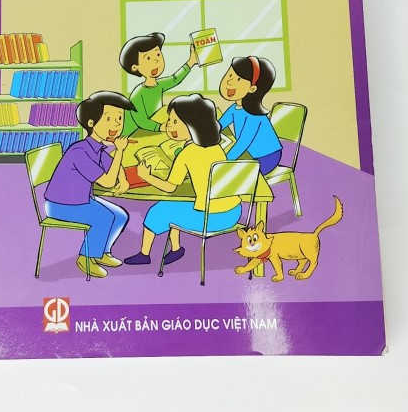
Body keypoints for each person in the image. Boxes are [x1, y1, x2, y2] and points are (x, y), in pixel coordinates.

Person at [126, 94, 242, 267]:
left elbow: (170, 187)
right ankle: (176, 248)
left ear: (192, 125)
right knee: (174, 205)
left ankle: (144, 254)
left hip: (210, 219)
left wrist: (146, 176)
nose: (168, 125)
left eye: (174, 121)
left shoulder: (187, 153)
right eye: (169, 120)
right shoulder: (216, 147)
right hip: (233, 213)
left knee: (158, 210)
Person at [43, 91, 134, 278]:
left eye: (120, 118)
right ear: (91, 123)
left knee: (120, 215)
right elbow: (108, 182)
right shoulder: (80, 151)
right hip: (61, 205)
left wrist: (124, 179)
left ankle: (101, 252)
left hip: (82, 200)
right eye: (109, 119)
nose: (117, 124)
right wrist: (120, 151)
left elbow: (114, 167)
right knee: (104, 218)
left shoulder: (97, 148)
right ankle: (86, 258)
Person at [118, 32, 200, 140]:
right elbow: (140, 121)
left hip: (152, 126)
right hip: (132, 133)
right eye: (148, 58)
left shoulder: (159, 85)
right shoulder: (138, 94)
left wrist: (191, 62)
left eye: (157, 55)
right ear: (135, 67)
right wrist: (160, 127)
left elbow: (175, 79)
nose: (156, 60)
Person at [217, 55, 283, 175]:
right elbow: (219, 125)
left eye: (238, 79)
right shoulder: (234, 108)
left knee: (232, 175)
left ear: (252, 89)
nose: (229, 81)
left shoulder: (254, 116)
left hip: (266, 157)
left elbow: (243, 143)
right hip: (248, 153)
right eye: (230, 75)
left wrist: (224, 162)